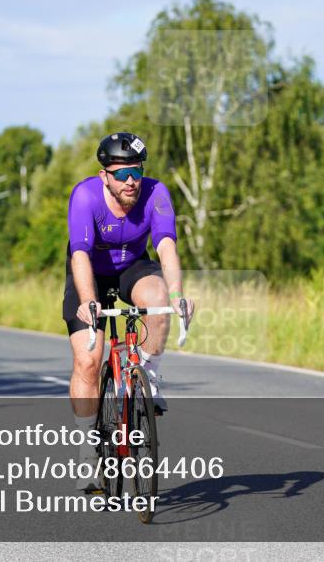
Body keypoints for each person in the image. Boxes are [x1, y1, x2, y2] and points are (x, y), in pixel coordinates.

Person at [63, 132, 194, 492]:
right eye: (121, 174)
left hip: (133, 266)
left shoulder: (156, 193)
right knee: (88, 360)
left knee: (158, 300)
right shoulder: (85, 196)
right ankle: (88, 449)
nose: (131, 181)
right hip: (90, 270)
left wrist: (179, 294)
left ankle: (146, 377)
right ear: (105, 175)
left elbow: (166, 245)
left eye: (136, 172)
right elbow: (79, 254)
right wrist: (89, 301)